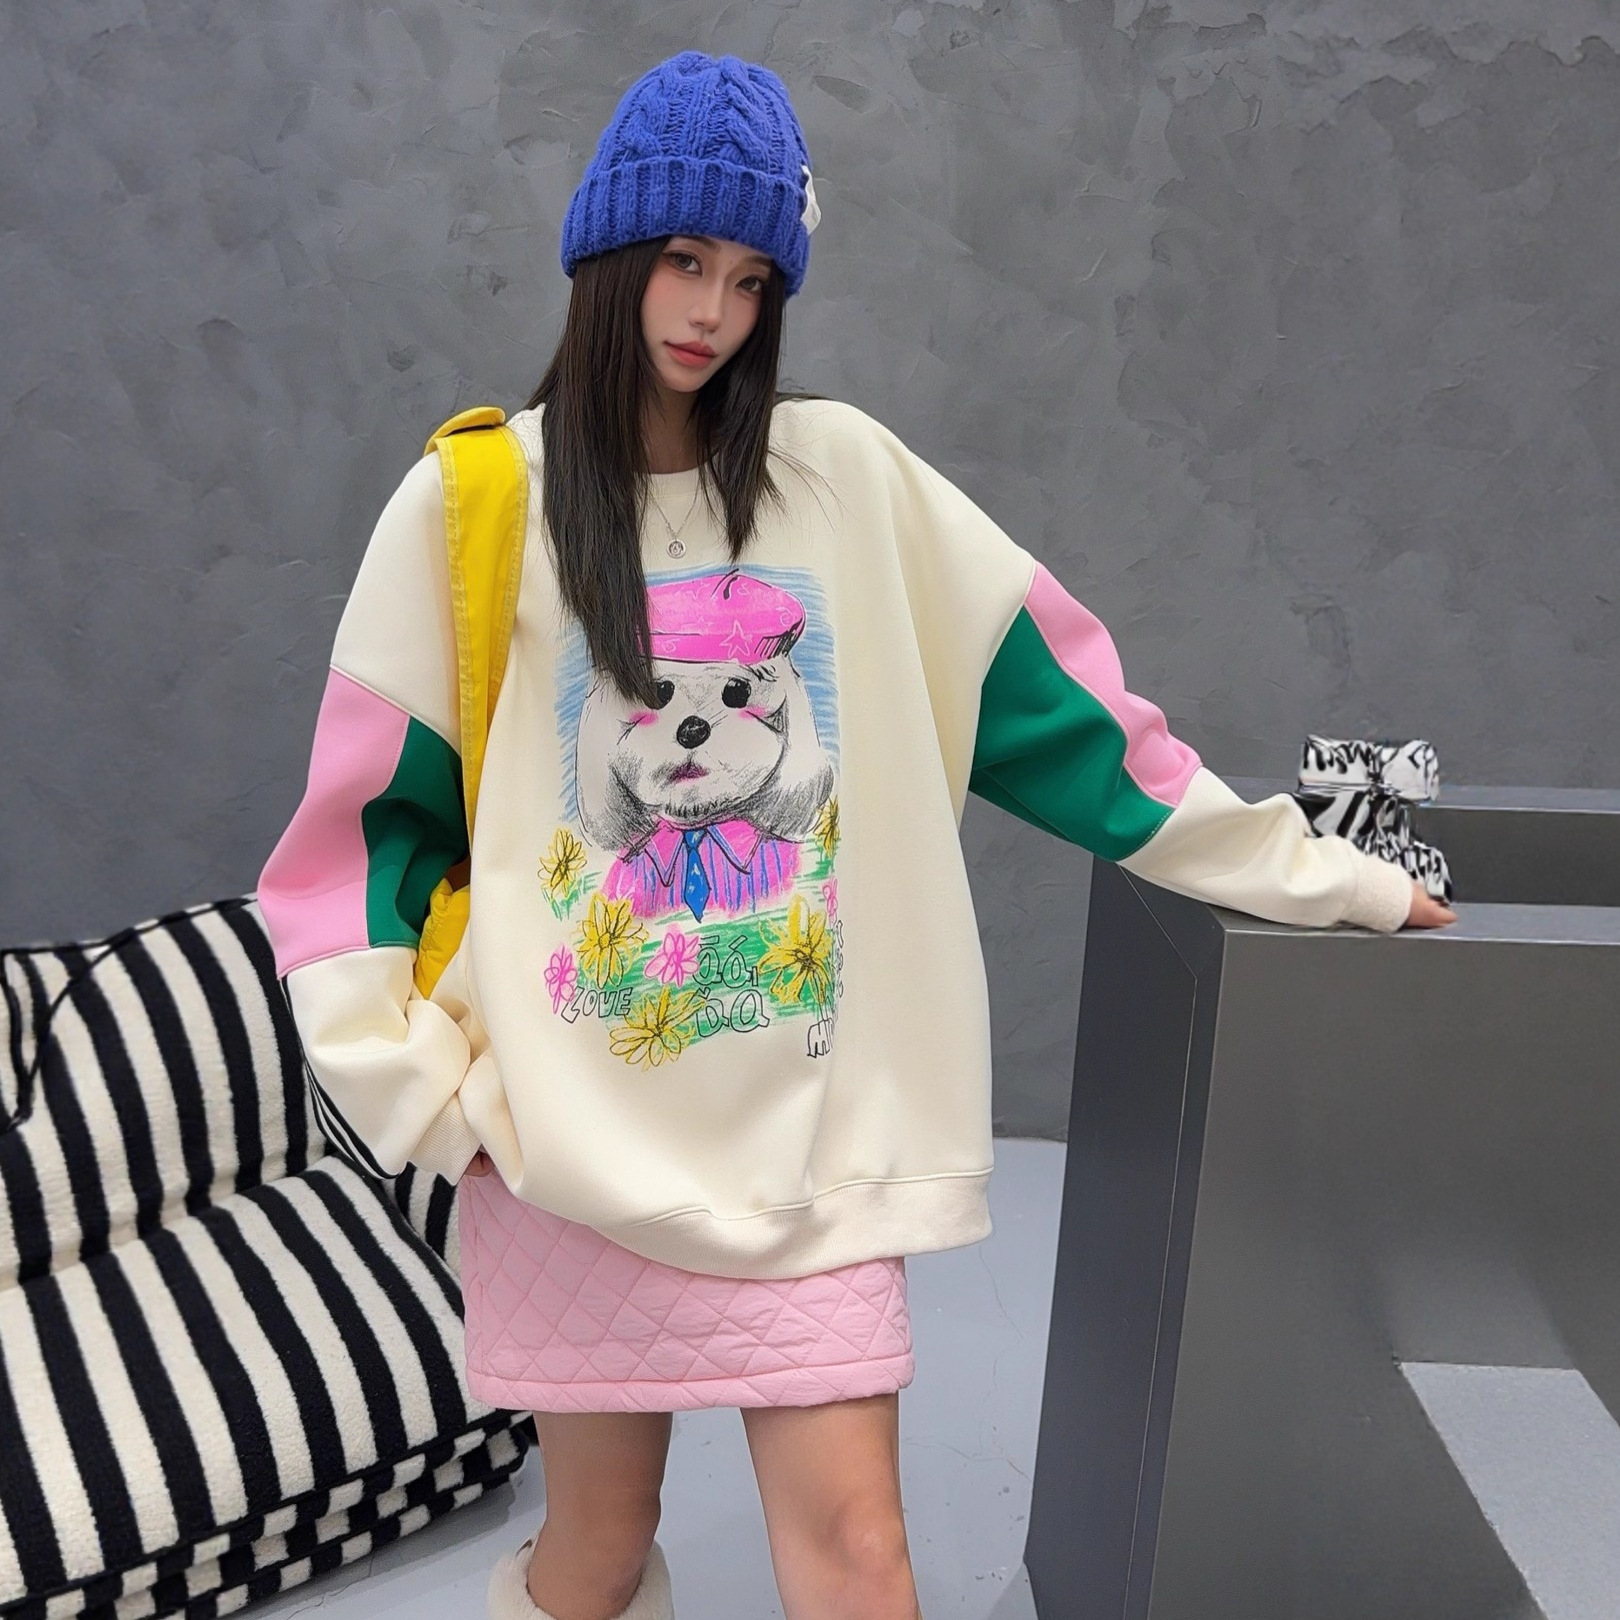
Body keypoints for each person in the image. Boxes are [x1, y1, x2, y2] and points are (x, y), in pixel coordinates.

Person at [257, 47, 1456, 1620]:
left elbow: (1086, 733)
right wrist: (426, 1095)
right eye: (685, 259)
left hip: (805, 1150)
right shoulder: (478, 505)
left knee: (860, 1550)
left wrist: (1332, 876)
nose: (712, 311)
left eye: (752, 279)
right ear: (610, 251)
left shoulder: (848, 483)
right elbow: (356, 843)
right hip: (565, 1150)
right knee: (595, 1553)